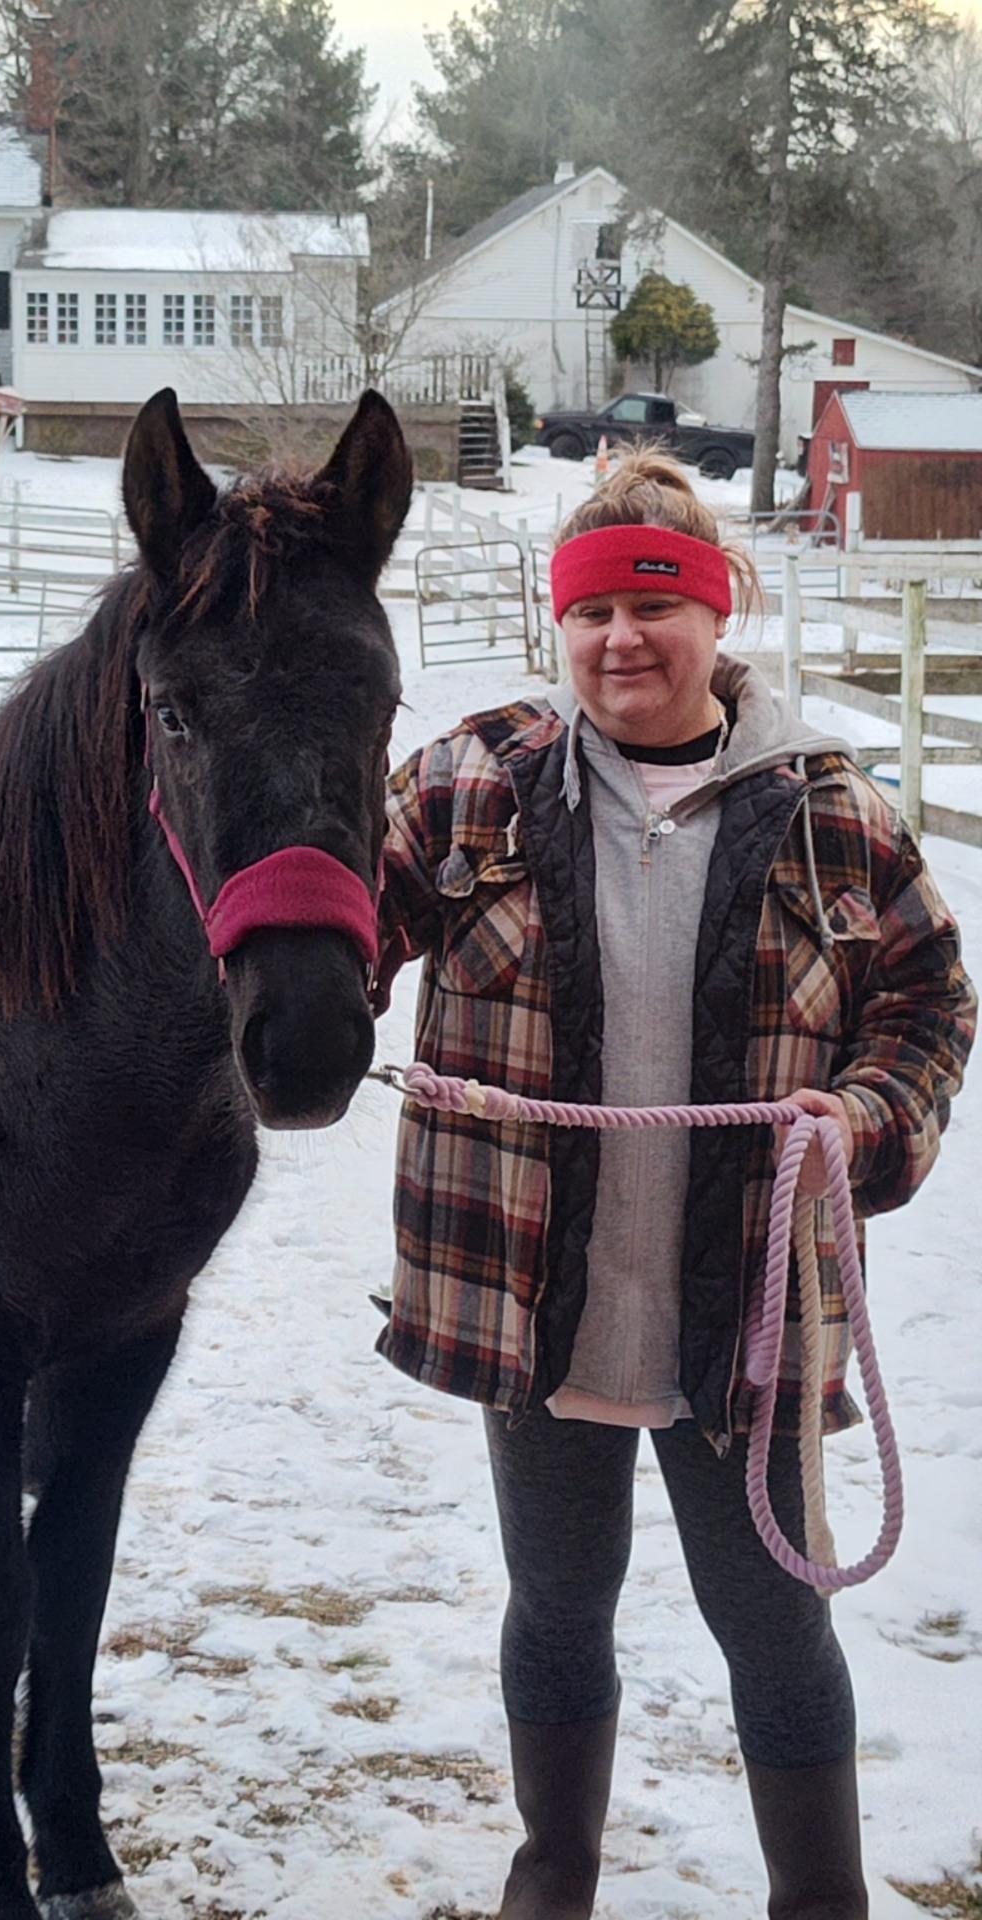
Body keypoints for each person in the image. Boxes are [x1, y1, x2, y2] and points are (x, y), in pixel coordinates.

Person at [374, 449, 976, 1919]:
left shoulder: (833, 810)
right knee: (559, 1604)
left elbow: (929, 1009)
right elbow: (333, 927)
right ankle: (553, 1879)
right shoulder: (468, 788)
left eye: (654, 608)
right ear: (556, 627)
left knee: (771, 1623)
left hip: (746, 1314)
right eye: (587, 614)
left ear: (719, 618)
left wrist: (862, 1117)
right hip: (544, 1300)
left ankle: (819, 1901)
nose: (619, 642)